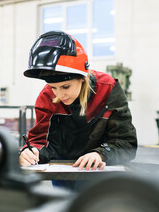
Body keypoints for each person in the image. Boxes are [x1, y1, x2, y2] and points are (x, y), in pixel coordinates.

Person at [19, 30, 137, 189]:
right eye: (53, 87)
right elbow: (40, 141)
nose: (59, 94)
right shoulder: (47, 97)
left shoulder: (108, 90)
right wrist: (30, 152)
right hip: (63, 168)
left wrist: (101, 154)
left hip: (98, 169)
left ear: (82, 77)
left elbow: (126, 142)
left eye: (65, 86)